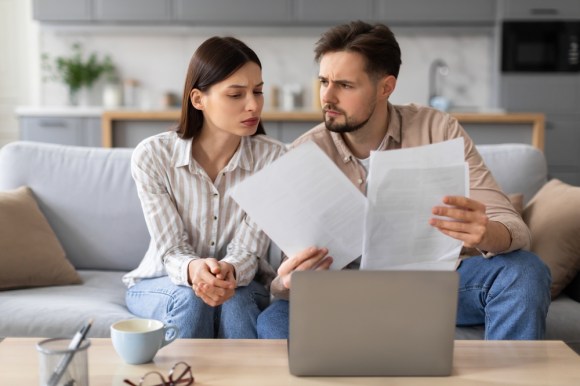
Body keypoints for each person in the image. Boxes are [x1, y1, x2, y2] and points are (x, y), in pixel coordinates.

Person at [257, 20, 551, 340]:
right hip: (344, 291)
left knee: (525, 271)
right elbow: (289, 273)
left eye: (345, 85)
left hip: (432, 285)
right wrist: (286, 281)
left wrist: (485, 233)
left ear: (386, 87)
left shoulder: (438, 129)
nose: (327, 96)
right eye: (323, 81)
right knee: (273, 323)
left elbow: (514, 227)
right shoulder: (304, 153)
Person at [123, 36, 286, 338]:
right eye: (236, 94)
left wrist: (228, 272)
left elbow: (249, 251)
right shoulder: (153, 156)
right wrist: (195, 271)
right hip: (163, 282)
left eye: (258, 91)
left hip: (242, 283)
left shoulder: (274, 158)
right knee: (189, 298)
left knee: (236, 299)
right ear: (198, 99)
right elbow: (171, 249)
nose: (253, 105)